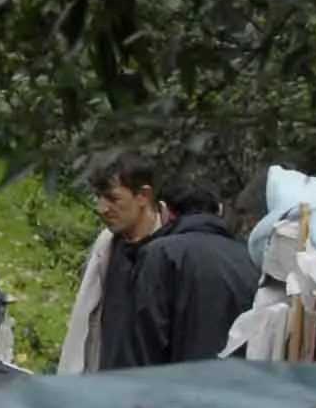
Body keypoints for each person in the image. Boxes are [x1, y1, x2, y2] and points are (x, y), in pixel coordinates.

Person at [84, 153, 260, 367]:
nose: (101, 208)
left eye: (112, 198)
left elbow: (141, 347)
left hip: (173, 393)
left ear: (165, 210)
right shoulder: (249, 260)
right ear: (220, 211)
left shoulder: (162, 255)